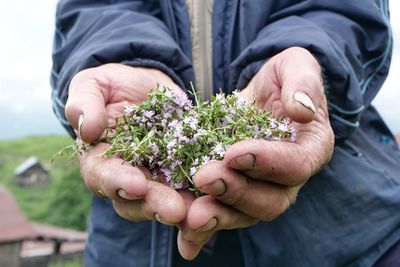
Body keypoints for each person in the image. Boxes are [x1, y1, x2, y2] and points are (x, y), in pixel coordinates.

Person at [51, 0, 400, 266]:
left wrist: (311, 57)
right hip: (134, 247)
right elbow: (97, 10)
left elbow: (343, 12)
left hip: (342, 228)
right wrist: (115, 59)